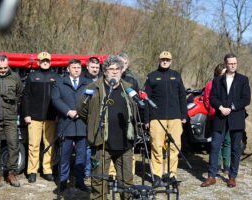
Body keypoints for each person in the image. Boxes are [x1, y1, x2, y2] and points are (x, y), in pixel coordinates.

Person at [78, 55, 138, 200]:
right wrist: (94, 125)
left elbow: (135, 112)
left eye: (117, 69)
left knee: (127, 183)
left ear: (122, 70)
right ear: (104, 71)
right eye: (111, 69)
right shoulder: (93, 88)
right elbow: (82, 111)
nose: (115, 72)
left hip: (125, 144)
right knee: (99, 182)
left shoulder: (129, 89)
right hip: (101, 143)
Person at [201, 53, 251, 188]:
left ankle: (232, 176)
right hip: (220, 117)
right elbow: (213, 98)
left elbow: (246, 99)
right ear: (226, 64)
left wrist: (233, 107)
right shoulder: (217, 81)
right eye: (230, 63)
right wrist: (221, 107)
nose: (233, 65)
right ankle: (211, 176)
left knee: (235, 148)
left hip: (236, 118)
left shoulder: (243, 79)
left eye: (235, 63)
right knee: (214, 146)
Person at [144, 51, 187, 187]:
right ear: (159, 60)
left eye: (167, 60)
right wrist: (147, 119)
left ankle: (170, 175)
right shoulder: (151, 77)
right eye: (163, 59)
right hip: (156, 118)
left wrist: (184, 115)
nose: (165, 61)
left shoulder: (176, 75)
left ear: (171, 61)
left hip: (175, 117)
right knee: (156, 146)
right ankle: (157, 175)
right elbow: (146, 99)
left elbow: (182, 96)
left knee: (174, 147)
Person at [52, 58, 92, 193]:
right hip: (66, 124)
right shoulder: (59, 82)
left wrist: (82, 112)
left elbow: (92, 100)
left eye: (78, 68)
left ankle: (80, 181)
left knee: (81, 156)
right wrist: (68, 111)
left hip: (82, 124)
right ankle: (63, 182)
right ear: (68, 69)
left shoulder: (88, 83)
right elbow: (55, 99)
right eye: (74, 67)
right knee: (65, 155)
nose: (76, 70)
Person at [0, 54, 23, 187]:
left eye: (5, 68)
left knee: (14, 145)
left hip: (10, 117)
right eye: (0, 68)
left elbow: (19, 94)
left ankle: (11, 173)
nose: (3, 70)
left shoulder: (15, 77)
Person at [22, 52, 59, 183]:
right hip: (34, 117)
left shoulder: (55, 77)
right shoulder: (32, 76)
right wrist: (26, 114)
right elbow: (25, 96)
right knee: (33, 145)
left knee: (49, 145)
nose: (45, 63)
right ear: (38, 62)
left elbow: (58, 98)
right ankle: (32, 171)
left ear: (50, 62)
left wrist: (58, 114)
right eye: (43, 61)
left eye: (47, 61)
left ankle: (47, 171)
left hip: (51, 117)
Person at [203, 63, 231, 173]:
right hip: (215, 116)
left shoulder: (230, 83)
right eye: (223, 73)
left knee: (227, 141)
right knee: (217, 142)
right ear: (218, 73)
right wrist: (214, 110)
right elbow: (207, 100)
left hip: (228, 117)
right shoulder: (210, 84)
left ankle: (226, 165)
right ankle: (217, 164)